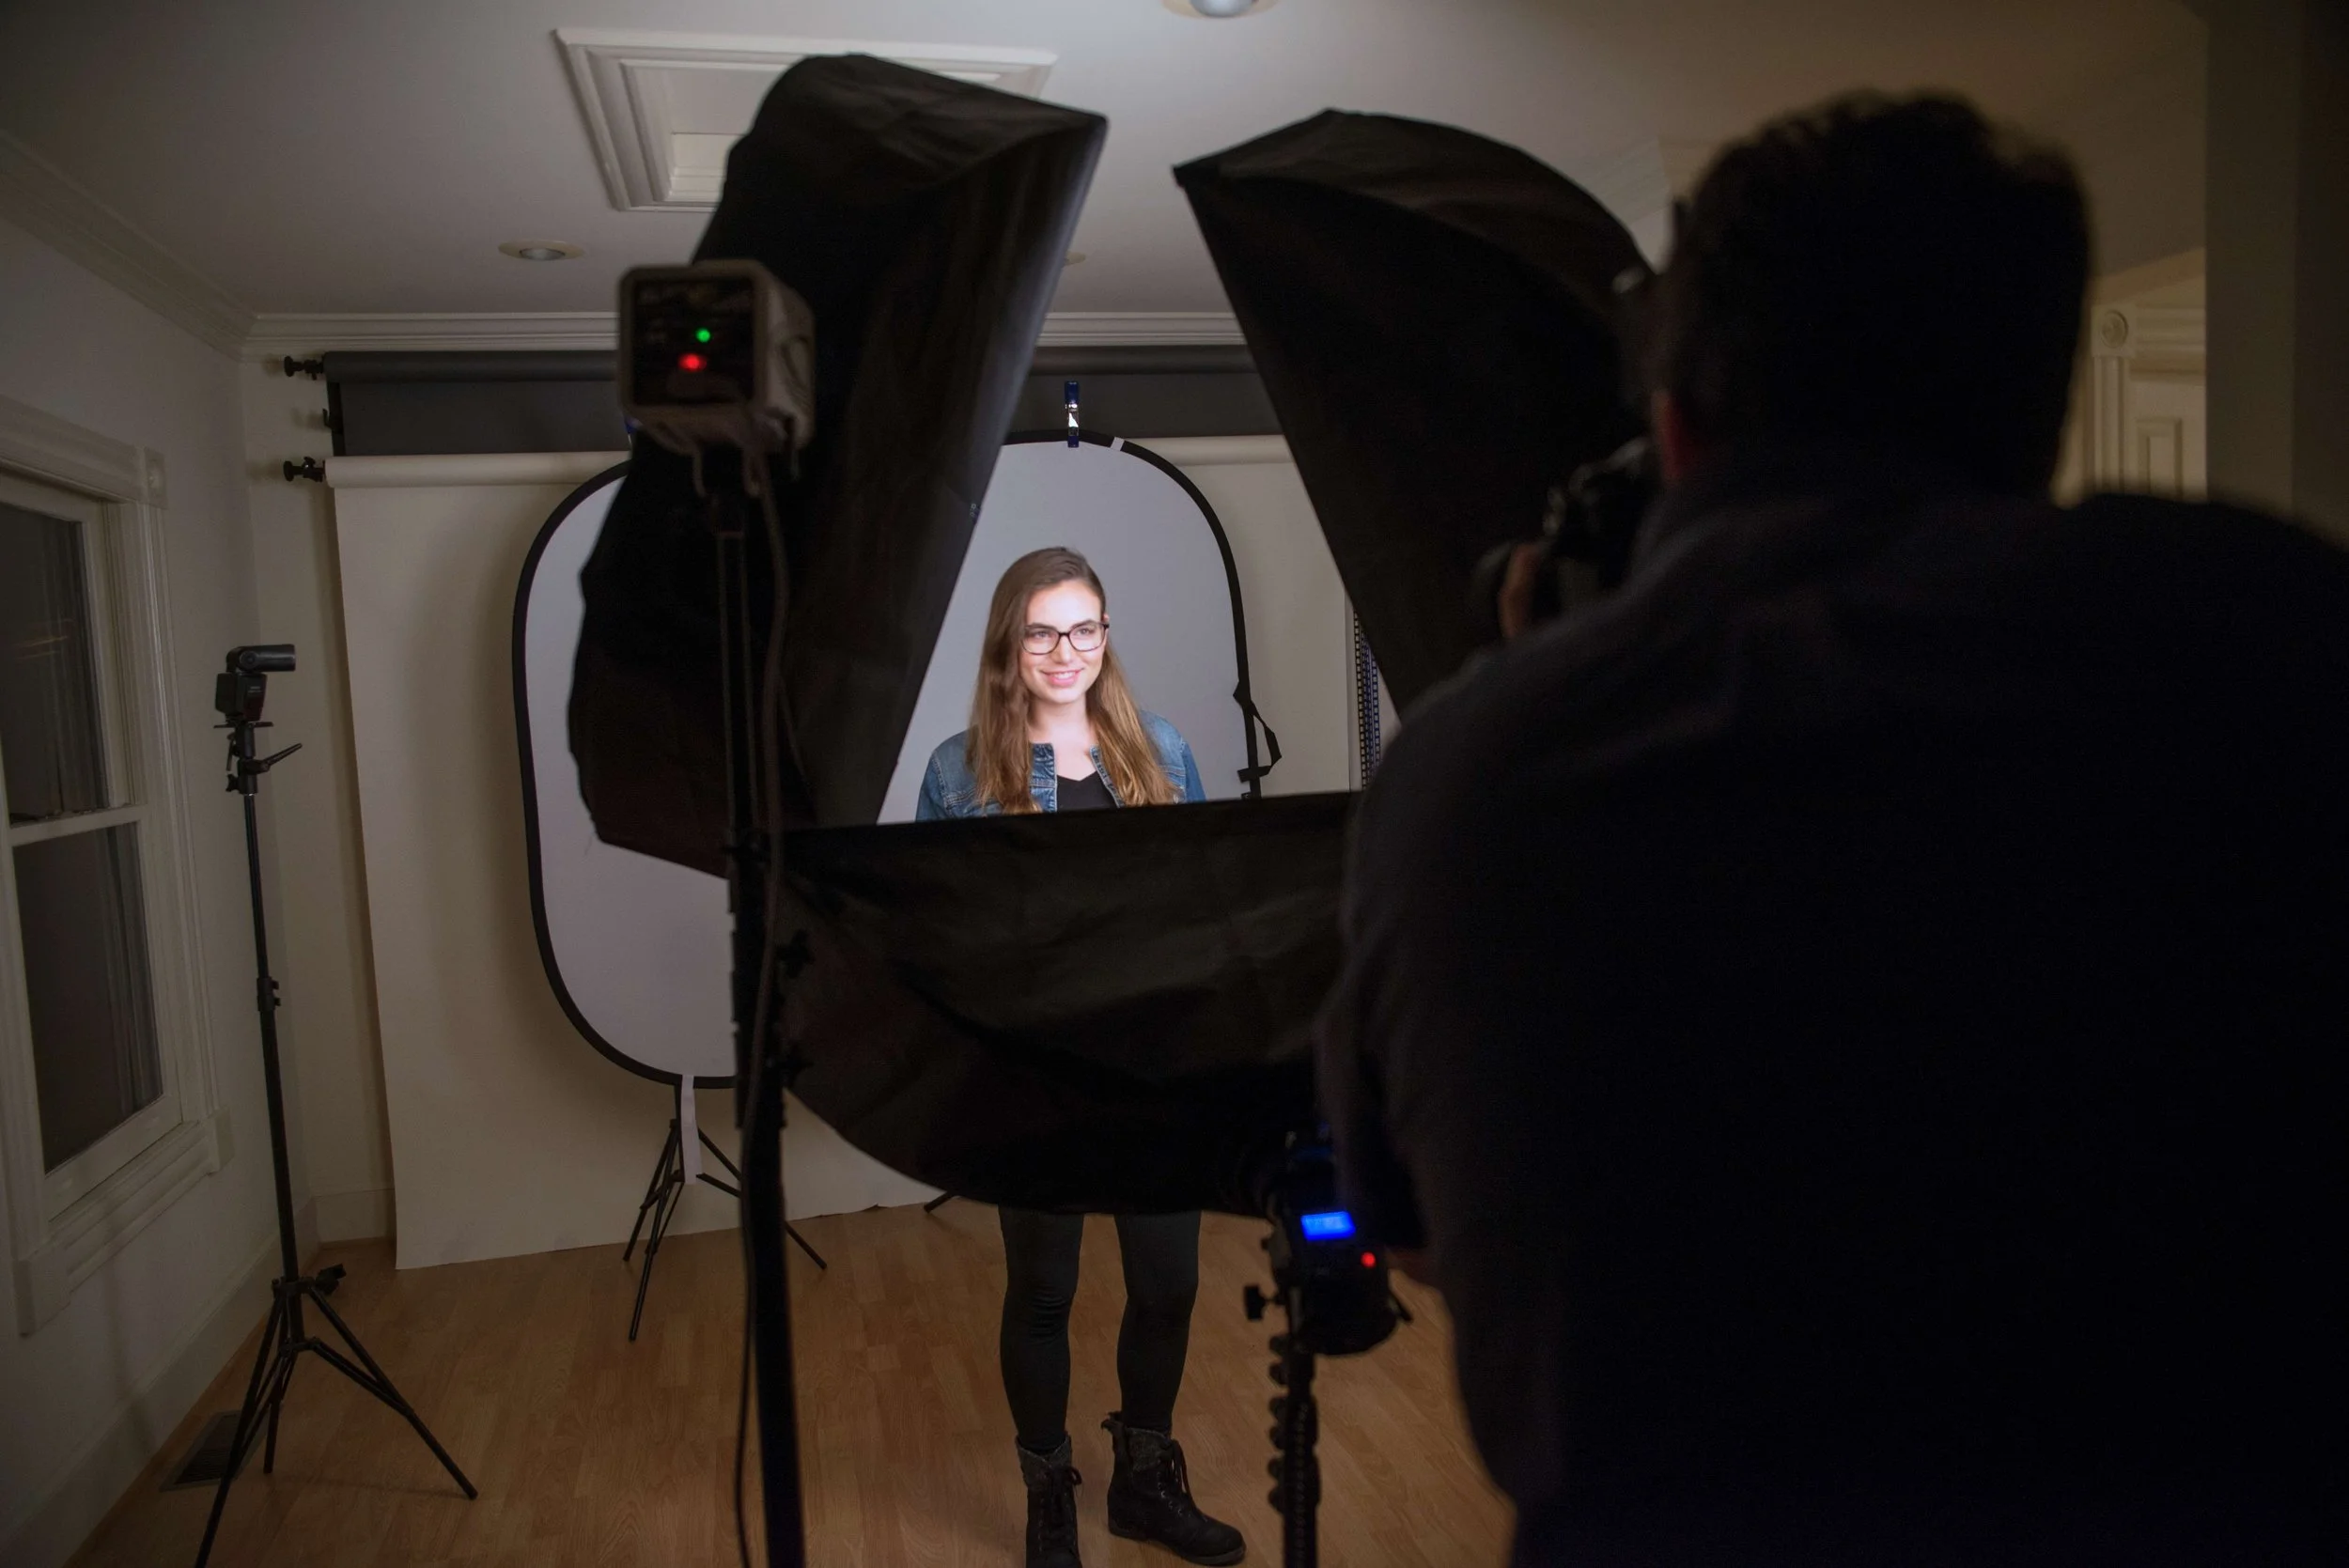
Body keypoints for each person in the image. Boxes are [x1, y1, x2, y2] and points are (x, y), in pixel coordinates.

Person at [1318, 94, 2347, 1565]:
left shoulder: (1469, 769)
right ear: (2038, 408)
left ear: (1679, 427)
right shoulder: (2279, 635)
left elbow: (1415, 1228)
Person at [917, 547, 1237, 1568]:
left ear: (1107, 634)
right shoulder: (958, 771)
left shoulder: (1164, 751)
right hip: (1036, 1074)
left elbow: (1203, 907)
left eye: (1086, 627)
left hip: (1152, 1068)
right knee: (1044, 1288)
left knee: (1168, 1284)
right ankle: (1048, 1492)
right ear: (1011, 643)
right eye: (1045, 630)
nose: (1067, 650)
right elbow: (934, 931)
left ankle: (1144, 1483)